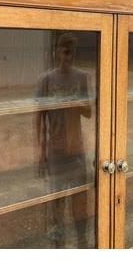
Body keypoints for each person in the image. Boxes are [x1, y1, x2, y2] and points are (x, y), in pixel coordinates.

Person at [34, 32, 93, 248]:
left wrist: (75, 102)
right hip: (56, 150)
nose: (69, 57)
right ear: (58, 52)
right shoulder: (46, 79)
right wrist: (41, 154)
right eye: (66, 52)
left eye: (73, 52)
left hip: (77, 149)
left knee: (80, 199)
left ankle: (82, 239)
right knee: (56, 201)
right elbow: (38, 118)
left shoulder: (82, 77)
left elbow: (88, 112)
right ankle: (57, 242)